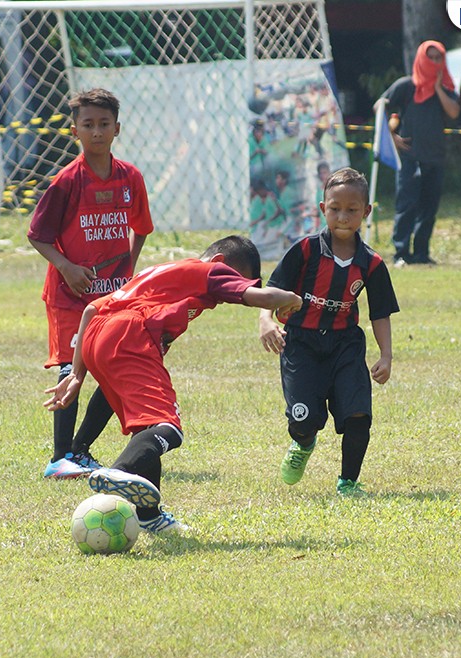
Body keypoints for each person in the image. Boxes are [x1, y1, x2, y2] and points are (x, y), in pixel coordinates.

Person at [44, 235, 302, 533]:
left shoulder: (160, 274)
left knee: (146, 429)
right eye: (236, 283)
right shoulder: (211, 272)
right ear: (220, 264)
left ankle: (149, 515)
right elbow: (262, 297)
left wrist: (77, 373)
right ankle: (117, 472)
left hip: (99, 332)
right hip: (129, 333)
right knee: (167, 428)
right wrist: (291, 299)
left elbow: (91, 311)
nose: (228, 294)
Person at [28, 88, 153, 480]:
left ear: (117, 128)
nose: (96, 132)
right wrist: (66, 266)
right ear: (75, 130)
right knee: (71, 367)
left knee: (114, 368)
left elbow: (141, 228)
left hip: (113, 295)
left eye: (103, 124)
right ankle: (59, 456)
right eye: (88, 125)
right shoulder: (67, 181)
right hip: (70, 296)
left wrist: (128, 272)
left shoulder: (130, 177)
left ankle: (81, 450)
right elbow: (37, 235)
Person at [258, 168, 399, 496]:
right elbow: (274, 289)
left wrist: (387, 355)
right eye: (335, 208)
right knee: (303, 422)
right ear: (323, 209)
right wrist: (266, 320)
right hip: (301, 345)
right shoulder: (305, 251)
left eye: (352, 209)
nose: (343, 216)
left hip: (345, 346)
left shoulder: (372, 264)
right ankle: (303, 444)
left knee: (359, 414)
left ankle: (348, 482)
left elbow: (380, 313)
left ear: (366, 212)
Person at [377, 40, 460, 266]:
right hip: (410, 156)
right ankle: (401, 253)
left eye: (438, 58)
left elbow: (453, 112)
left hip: (435, 155)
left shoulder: (448, 88)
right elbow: (380, 106)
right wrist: (391, 136)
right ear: (421, 58)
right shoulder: (406, 85)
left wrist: (437, 88)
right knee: (407, 204)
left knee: (429, 207)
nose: (434, 62)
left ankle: (422, 253)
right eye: (430, 57)